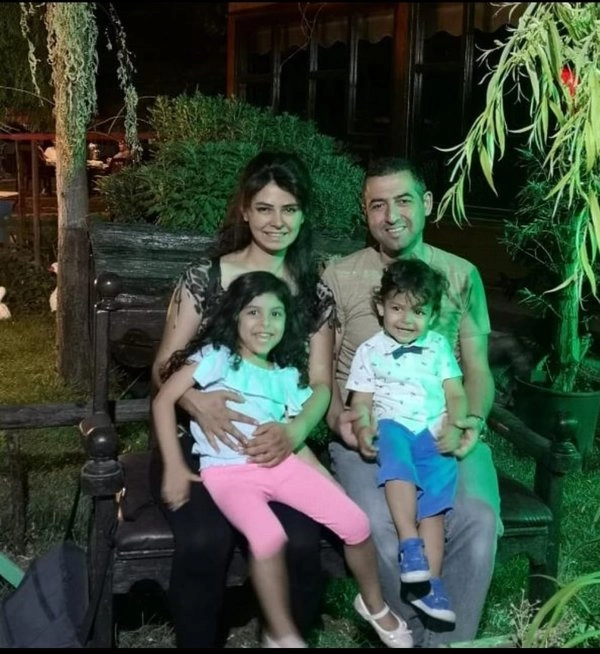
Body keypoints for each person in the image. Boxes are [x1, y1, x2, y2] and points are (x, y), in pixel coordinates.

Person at [153, 270, 413, 649]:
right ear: (235, 316)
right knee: (269, 537)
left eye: (276, 314)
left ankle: (374, 605)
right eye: (253, 312)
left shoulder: (286, 377)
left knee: (356, 522)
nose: (265, 323)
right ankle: (281, 633)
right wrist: (175, 467)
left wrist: (329, 481)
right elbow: (164, 400)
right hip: (229, 474)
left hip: (280, 467)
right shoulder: (217, 358)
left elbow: (294, 444)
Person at [150, 150, 335, 648]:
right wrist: (196, 403)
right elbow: (163, 365)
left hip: (274, 442)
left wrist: (295, 431)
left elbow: (321, 384)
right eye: (265, 208)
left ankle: (285, 637)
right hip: (199, 443)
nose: (277, 221)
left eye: (289, 209)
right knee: (204, 538)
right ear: (245, 211)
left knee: (300, 538)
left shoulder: (314, 294)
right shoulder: (205, 278)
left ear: (304, 215)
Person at [322, 156, 502, 647]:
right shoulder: (339, 276)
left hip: (444, 427)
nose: (391, 215)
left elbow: (477, 369)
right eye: (377, 205)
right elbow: (323, 372)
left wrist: (471, 420)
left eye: (403, 200)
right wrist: (341, 420)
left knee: (478, 518)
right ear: (365, 212)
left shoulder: (460, 274)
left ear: (427, 203)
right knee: (378, 523)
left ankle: (445, 643)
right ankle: (412, 637)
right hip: (373, 434)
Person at [347, 259, 468, 626]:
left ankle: (430, 583)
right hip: (392, 424)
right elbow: (361, 402)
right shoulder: (369, 350)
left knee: (434, 503)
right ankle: (409, 543)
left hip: (432, 429)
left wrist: (455, 424)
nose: (406, 319)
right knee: (397, 463)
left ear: (432, 315)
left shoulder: (439, 347)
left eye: (418, 311)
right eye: (397, 308)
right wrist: (363, 427)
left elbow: (456, 393)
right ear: (381, 307)